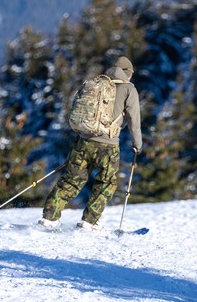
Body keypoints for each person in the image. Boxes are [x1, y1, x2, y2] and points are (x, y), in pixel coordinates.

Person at [39, 56, 142, 231]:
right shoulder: (129, 89)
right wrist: (137, 144)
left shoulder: (96, 83)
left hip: (84, 140)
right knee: (106, 182)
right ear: (128, 73)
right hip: (108, 145)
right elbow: (134, 121)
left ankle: (49, 217)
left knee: (72, 179)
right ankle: (89, 222)